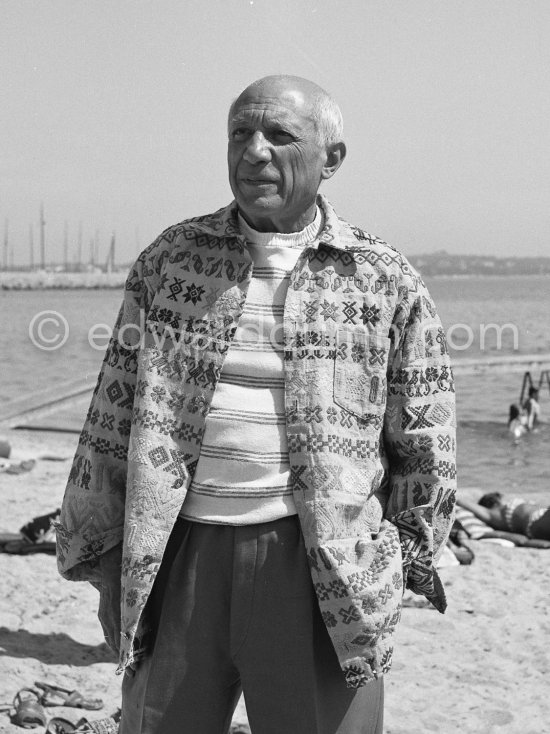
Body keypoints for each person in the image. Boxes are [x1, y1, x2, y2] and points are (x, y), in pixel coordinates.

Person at [56, 75, 457, 734]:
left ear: (332, 159)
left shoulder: (385, 278)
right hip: (178, 558)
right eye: (240, 132)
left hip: (318, 568)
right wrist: (105, 565)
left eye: (279, 135)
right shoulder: (170, 261)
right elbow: (112, 414)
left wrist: (401, 562)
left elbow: (425, 433)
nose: (255, 151)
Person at [457, 493, 550, 541]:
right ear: (495, 502)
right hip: (536, 523)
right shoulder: (494, 515)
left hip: (540, 519)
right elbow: (461, 501)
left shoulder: (498, 514)